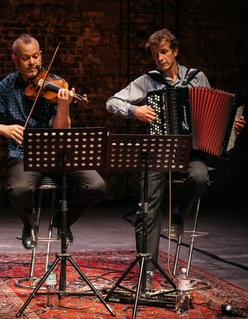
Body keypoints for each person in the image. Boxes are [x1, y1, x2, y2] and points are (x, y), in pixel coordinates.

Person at [106, 29, 245, 288]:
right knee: (147, 207)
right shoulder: (148, 81)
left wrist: (231, 126)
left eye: (164, 52)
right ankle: (146, 275)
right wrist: (136, 111)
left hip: (191, 151)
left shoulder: (197, 77)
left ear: (175, 51)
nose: (159, 58)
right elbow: (112, 102)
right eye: (155, 54)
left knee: (200, 177)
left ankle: (179, 214)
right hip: (158, 150)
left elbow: (217, 115)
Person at [0, 33, 106, 250]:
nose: (33, 63)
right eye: (26, 58)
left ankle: (62, 220)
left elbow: (61, 130)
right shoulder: (6, 86)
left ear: (41, 56)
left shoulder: (54, 83)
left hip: (57, 152)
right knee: (18, 190)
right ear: (15, 60)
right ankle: (29, 226)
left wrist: (64, 105)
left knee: (96, 185)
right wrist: (4, 128)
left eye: (36, 56)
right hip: (23, 154)